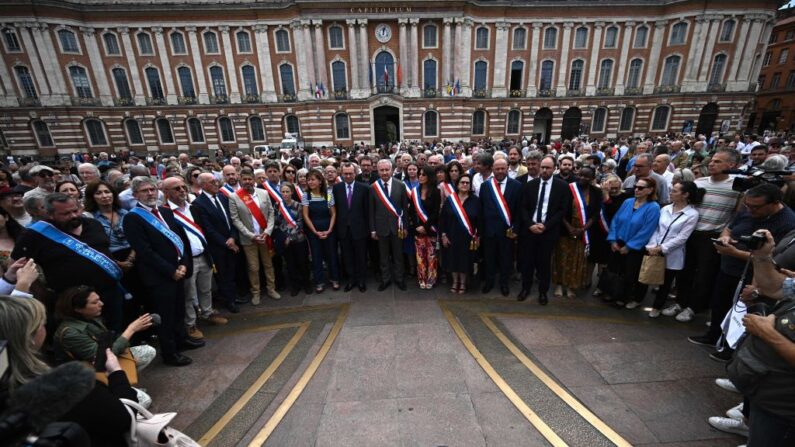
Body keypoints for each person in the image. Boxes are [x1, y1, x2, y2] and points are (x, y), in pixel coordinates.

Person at [0, 295, 139, 447]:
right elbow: (124, 418)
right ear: (29, 336)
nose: (44, 325)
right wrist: (116, 373)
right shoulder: (66, 386)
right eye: (40, 323)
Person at [689, 183, 795, 361]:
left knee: (741, 312)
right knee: (719, 302)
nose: (750, 210)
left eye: (756, 207)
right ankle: (713, 334)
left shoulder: (787, 223)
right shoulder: (748, 209)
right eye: (748, 205)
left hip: (756, 275)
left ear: (774, 203)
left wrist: (736, 253)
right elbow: (730, 227)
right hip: (728, 266)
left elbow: (771, 258)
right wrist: (725, 237)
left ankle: (731, 350)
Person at [720, 229, 795, 446]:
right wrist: (762, 256)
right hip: (770, 391)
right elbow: (773, 287)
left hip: (786, 405)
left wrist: (767, 333)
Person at [12, 193, 127, 332]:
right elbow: (17, 265)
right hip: (73, 303)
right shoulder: (35, 235)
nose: (73, 216)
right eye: (65, 213)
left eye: (75, 210)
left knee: (115, 333)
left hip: (109, 294)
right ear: (50, 215)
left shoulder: (93, 224)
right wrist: (41, 292)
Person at [123, 177, 201, 367]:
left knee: (179, 310)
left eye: (152, 189)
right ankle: (170, 353)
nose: (150, 193)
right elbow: (144, 251)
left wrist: (183, 264)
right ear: (135, 195)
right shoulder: (133, 218)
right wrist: (170, 270)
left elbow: (180, 240)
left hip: (178, 271)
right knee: (165, 316)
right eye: (144, 191)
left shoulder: (165, 211)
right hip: (159, 277)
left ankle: (181, 339)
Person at [671, 149, 743, 322]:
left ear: (731, 165)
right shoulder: (700, 182)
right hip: (691, 233)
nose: (711, 164)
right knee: (684, 270)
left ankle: (693, 307)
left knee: (704, 274)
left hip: (713, 235)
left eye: (718, 161)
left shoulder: (737, 185)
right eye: (712, 161)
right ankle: (680, 302)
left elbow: (737, 212)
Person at [53, 286, 156, 399]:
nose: (101, 303)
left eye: (99, 299)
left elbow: (108, 344)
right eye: (94, 302)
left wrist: (135, 329)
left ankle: (123, 386)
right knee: (144, 401)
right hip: (85, 377)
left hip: (101, 364)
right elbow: (102, 359)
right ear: (78, 308)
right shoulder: (70, 333)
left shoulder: (89, 317)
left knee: (147, 351)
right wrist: (131, 330)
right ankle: (112, 394)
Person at [163, 176, 227, 341]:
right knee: (189, 294)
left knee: (206, 289)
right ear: (166, 192)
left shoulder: (194, 208)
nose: (182, 191)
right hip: (186, 261)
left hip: (203, 256)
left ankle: (208, 313)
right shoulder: (165, 213)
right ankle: (190, 324)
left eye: (183, 187)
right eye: (177, 189)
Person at [645, 181, 702, 317]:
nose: (671, 193)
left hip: (672, 253)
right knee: (649, 275)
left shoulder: (692, 214)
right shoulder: (665, 209)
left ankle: (657, 307)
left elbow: (682, 238)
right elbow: (657, 229)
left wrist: (662, 248)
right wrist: (652, 245)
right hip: (654, 249)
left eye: (675, 191)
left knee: (666, 282)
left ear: (685, 195)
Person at [519, 156, 571, 304]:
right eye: (542, 167)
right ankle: (525, 288)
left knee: (544, 264)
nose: (544, 170)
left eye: (548, 168)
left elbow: (562, 210)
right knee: (527, 262)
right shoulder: (530, 185)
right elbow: (523, 208)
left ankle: (543, 292)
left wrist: (546, 225)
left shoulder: (562, 187)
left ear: (554, 168)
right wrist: (530, 225)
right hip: (530, 230)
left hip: (548, 232)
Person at [606, 177, 661, 308]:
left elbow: (647, 230)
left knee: (630, 273)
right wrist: (613, 239)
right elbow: (615, 220)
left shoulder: (653, 207)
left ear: (650, 190)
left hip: (635, 247)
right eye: (636, 186)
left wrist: (629, 246)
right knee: (614, 270)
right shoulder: (628, 202)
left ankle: (626, 297)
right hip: (618, 241)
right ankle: (613, 293)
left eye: (641, 188)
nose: (637, 189)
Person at [228, 168, 280, 303]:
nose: (247, 182)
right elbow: (235, 220)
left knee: (268, 264)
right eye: (244, 179)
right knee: (253, 267)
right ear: (240, 180)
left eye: (249, 179)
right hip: (249, 239)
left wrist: (267, 231)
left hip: (264, 237)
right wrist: (251, 235)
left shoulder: (263, 193)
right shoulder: (234, 197)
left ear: (254, 180)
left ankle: (271, 289)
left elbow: (270, 214)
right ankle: (255, 292)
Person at [191, 172, 241, 313]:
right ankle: (229, 301)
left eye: (216, 181)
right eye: (212, 182)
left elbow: (232, 219)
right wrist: (227, 242)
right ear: (203, 185)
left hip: (232, 241)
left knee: (232, 272)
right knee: (223, 275)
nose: (216, 184)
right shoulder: (198, 204)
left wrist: (233, 237)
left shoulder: (222, 197)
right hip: (218, 247)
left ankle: (233, 296)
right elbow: (208, 229)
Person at [551, 167, 602, 298]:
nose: (583, 178)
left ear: (592, 178)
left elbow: (596, 214)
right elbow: (560, 210)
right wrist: (569, 228)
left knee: (576, 259)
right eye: (581, 175)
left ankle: (570, 286)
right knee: (561, 257)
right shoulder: (569, 188)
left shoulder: (596, 191)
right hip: (565, 229)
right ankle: (559, 284)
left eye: (587, 176)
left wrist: (583, 229)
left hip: (583, 232)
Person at [480, 158, 521, 297]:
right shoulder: (486, 186)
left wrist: (515, 229)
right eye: (497, 169)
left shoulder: (516, 185)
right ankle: (489, 282)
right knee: (489, 258)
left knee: (506, 259)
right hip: (489, 230)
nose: (500, 171)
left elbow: (518, 210)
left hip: (507, 231)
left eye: (503, 168)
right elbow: (482, 208)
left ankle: (504, 284)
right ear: (493, 169)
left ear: (507, 168)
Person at [370, 158, 409, 291]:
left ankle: (399, 279)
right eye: (382, 170)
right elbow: (371, 210)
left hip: (397, 227)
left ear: (392, 170)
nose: (385, 173)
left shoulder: (401, 185)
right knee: (383, 256)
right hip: (381, 228)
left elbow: (405, 208)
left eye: (387, 170)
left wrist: (405, 227)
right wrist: (373, 229)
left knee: (398, 255)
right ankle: (385, 279)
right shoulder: (373, 187)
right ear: (378, 171)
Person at [441, 174, 481, 293]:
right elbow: (443, 219)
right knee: (453, 259)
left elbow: (480, 220)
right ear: (457, 185)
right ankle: (454, 282)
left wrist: (478, 236)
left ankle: (463, 283)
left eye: (467, 183)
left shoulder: (476, 200)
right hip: (452, 235)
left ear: (470, 185)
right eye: (462, 182)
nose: (464, 185)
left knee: (464, 260)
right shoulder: (450, 199)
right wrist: (443, 235)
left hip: (468, 237)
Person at [333, 162, 369, 292]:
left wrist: (368, 229)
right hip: (343, 229)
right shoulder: (336, 189)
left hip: (360, 229)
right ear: (341, 174)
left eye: (350, 173)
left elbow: (367, 211)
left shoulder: (364, 188)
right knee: (347, 256)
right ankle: (351, 279)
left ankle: (361, 280)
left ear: (355, 173)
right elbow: (334, 210)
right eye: (345, 174)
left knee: (361, 256)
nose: (348, 176)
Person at [302, 169, 340, 293]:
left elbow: (333, 213)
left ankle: (335, 278)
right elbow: (306, 216)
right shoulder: (305, 195)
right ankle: (319, 281)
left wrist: (329, 230)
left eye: (313, 179)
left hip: (329, 228)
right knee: (316, 255)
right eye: (308, 180)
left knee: (332, 254)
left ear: (320, 181)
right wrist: (314, 231)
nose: (310, 182)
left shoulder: (328, 194)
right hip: (313, 230)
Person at [276, 182, 311, 296]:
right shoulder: (277, 205)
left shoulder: (299, 205)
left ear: (292, 192)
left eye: (287, 191)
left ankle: (307, 284)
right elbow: (277, 223)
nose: (285, 194)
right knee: (290, 265)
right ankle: (295, 286)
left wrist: (290, 237)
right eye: (283, 192)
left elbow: (300, 223)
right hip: (285, 240)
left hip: (298, 239)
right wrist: (284, 237)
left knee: (302, 263)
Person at [408, 166, 441, 289]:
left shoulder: (436, 191)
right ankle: (421, 278)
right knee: (420, 256)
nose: (420, 176)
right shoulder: (415, 191)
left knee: (431, 256)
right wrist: (417, 226)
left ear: (429, 176)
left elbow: (436, 212)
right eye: (420, 174)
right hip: (418, 230)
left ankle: (431, 278)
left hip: (431, 228)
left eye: (423, 174)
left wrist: (425, 226)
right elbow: (411, 211)